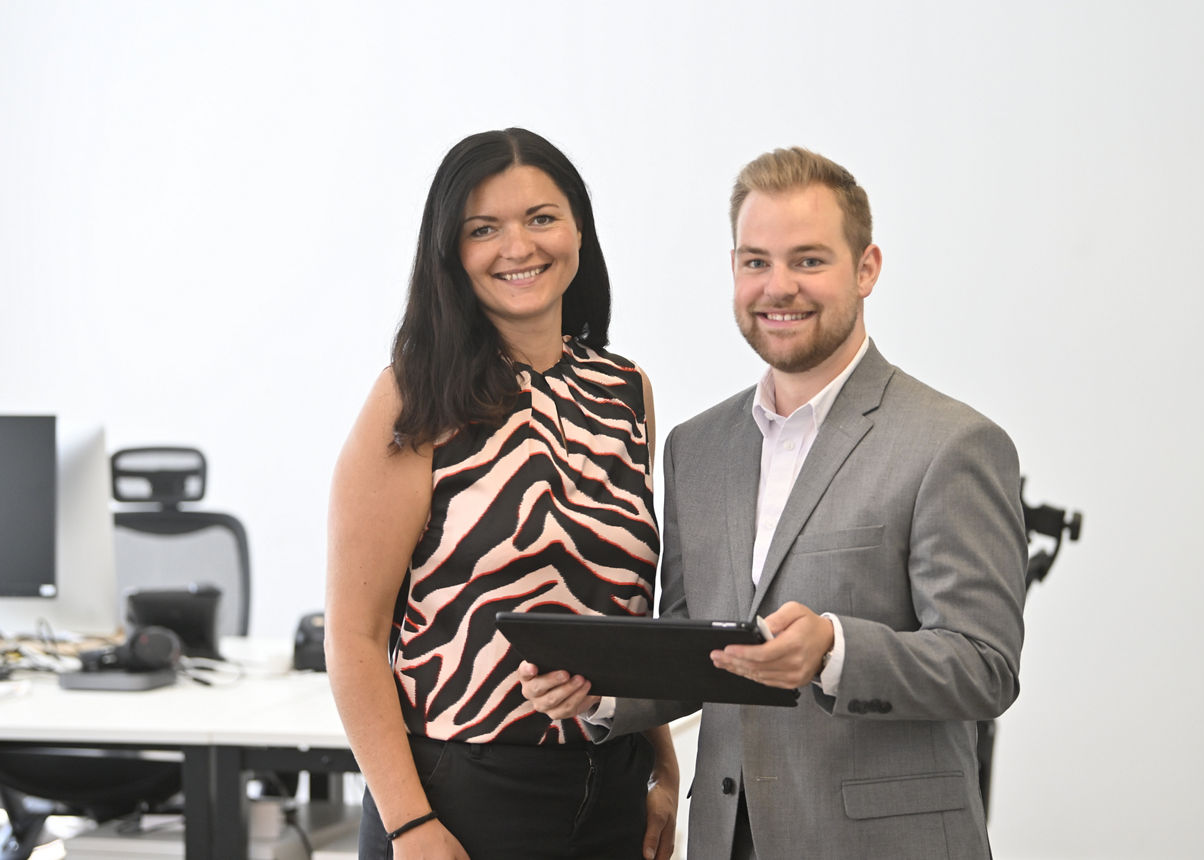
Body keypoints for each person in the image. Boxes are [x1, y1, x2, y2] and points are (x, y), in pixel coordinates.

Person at [521, 146, 1027, 860]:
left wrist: (834, 649)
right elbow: (693, 647)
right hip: (728, 842)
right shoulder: (695, 449)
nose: (778, 286)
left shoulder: (952, 443)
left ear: (866, 269)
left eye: (809, 260)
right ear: (733, 270)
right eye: (756, 261)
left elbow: (984, 667)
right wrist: (597, 694)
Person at [325, 127, 679, 860]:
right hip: (460, 795)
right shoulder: (414, 396)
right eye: (484, 229)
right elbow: (355, 638)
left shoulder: (625, 392)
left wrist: (664, 769)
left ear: (579, 229)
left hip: (611, 788)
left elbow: (624, 610)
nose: (518, 247)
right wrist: (410, 826)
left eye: (541, 218)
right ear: (451, 252)